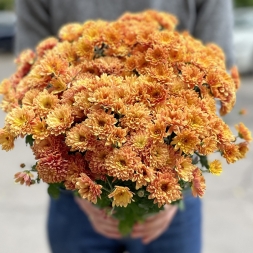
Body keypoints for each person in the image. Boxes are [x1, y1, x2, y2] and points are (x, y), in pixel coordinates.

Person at [15, 1, 235, 253]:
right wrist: (82, 191)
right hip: (75, 195)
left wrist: (174, 187)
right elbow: (31, 73)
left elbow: (217, 77)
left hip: (172, 195)